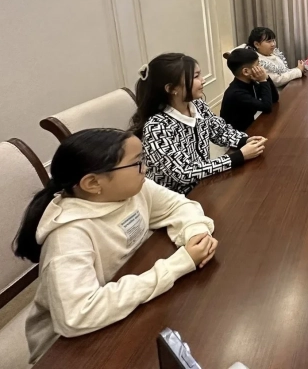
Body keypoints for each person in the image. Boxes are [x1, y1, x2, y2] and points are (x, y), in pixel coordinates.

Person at [13, 129, 217, 362]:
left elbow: (178, 206)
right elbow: (77, 316)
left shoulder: (132, 190)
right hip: (73, 345)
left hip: (128, 297)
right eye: (137, 163)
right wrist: (177, 265)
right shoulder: (68, 237)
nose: (146, 168)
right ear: (93, 183)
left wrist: (194, 234)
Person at [130, 53, 266, 194]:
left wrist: (244, 140)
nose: (203, 80)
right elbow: (184, 173)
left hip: (201, 183)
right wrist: (238, 156)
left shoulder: (196, 104)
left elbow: (219, 130)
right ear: (171, 89)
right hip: (174, 196)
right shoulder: (156, 127)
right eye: (196, 77)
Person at [220, 48, 280, 132]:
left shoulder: (250, 82)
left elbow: (274, 98)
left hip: (249, 126)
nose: (261, 68)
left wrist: (266, 78)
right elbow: (266, 107)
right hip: (237, 134)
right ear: (246, 71)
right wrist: (263, 81)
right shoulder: (237, 93)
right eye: (258, 65)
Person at [238, 27, 305, 89]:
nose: (273, 44)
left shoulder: (273, 53)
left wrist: (298, 69)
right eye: (269, 41)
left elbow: (283, 71)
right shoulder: (256, 61)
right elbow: (276, 81)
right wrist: (297, 71)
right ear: (257, 44)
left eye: (273, 40)